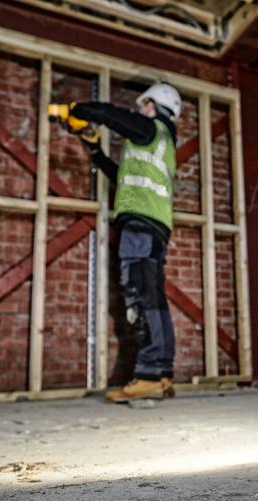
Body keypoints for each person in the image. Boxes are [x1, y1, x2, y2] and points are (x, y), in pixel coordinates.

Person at [68, 83, 181, 402]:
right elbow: (122, 177)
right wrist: (94, 151)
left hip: (141, 226)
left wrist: (79, 109)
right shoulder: (158, 141)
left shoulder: (152, 129)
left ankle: (148, 374)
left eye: (145, 104)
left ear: (157, 106)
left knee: (139, 296)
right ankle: (161, 373)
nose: (140, 109)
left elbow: (115, 117)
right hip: (154, 226)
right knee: (153, 298)